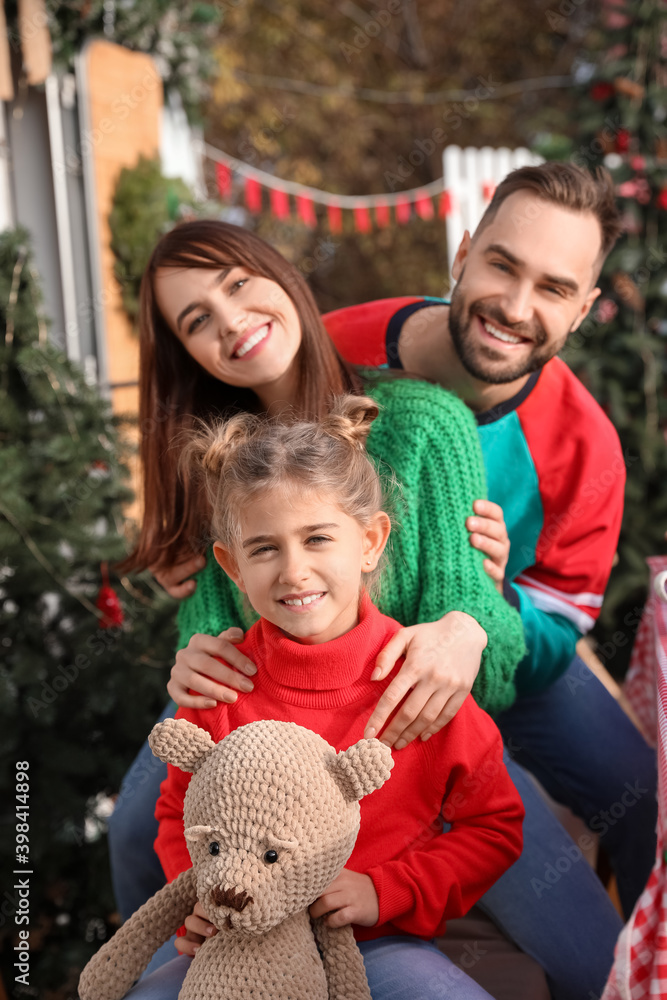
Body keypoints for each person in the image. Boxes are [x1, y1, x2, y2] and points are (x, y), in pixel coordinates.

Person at [110, 212, 622, 999]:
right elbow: (214, 620)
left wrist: (463, 627)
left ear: (280, 274)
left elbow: (474, 640)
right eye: (197, 321)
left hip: (411, 735)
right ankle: (183, 959)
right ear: (184, 351)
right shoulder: (214, 456)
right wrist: (199, 649)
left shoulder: (420, 422)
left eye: (239, 284)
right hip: (275, 734)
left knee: (595, 955)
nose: (232, 322)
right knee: (137, 817)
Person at [320, 161, 658, 922]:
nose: (514, 306)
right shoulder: (337, 352)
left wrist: (493, 599)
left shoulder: (585, 446)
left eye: (552, 289)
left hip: (503, 658)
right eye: (501, 265)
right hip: (331, 653)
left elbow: (559, 627)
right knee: (142, 820)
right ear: (462, 253)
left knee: (641, 796)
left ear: (582, 311)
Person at [119, 395, 525, 1000]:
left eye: (317, 539)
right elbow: (178, 815)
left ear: (369, 541)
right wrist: (196, 897)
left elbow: (493, 826)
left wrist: (386, 891)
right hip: (241, 953)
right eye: (264, 548)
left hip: (378, 945)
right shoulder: (221, 688)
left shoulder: (418, 683)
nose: (293, 571)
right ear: (232, 567)